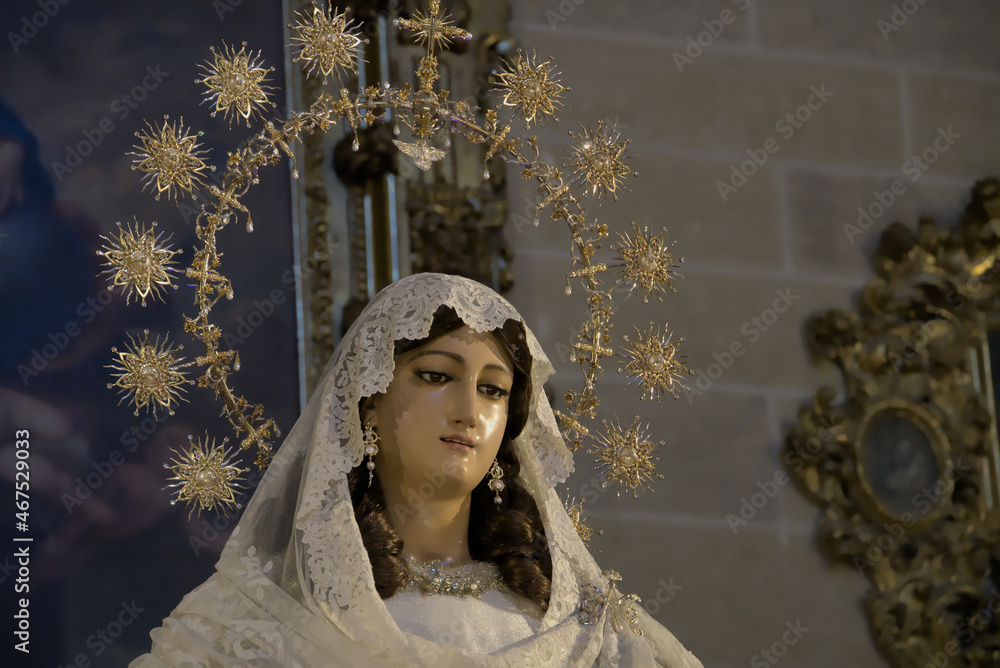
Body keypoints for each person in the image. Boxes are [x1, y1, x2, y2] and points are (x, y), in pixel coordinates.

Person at [131, 272, 702, 666]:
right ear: (370, 400)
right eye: (435, 375)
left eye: (494, 390)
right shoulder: (254, 621)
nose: (469, 410)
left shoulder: (589, 636)